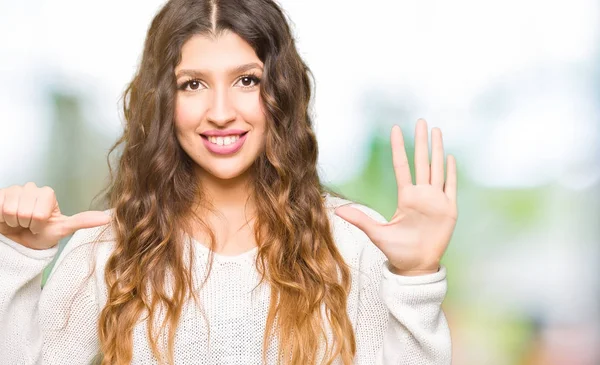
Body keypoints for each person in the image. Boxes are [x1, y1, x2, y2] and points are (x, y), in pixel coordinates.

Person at [0, 0, 458, 364]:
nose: (220, 112)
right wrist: (15, 255)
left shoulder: (351, 244)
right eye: (192, 84)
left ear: (281, 91)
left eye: (246, 80)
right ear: (162, 102)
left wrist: (416, 278)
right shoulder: (107, 248)